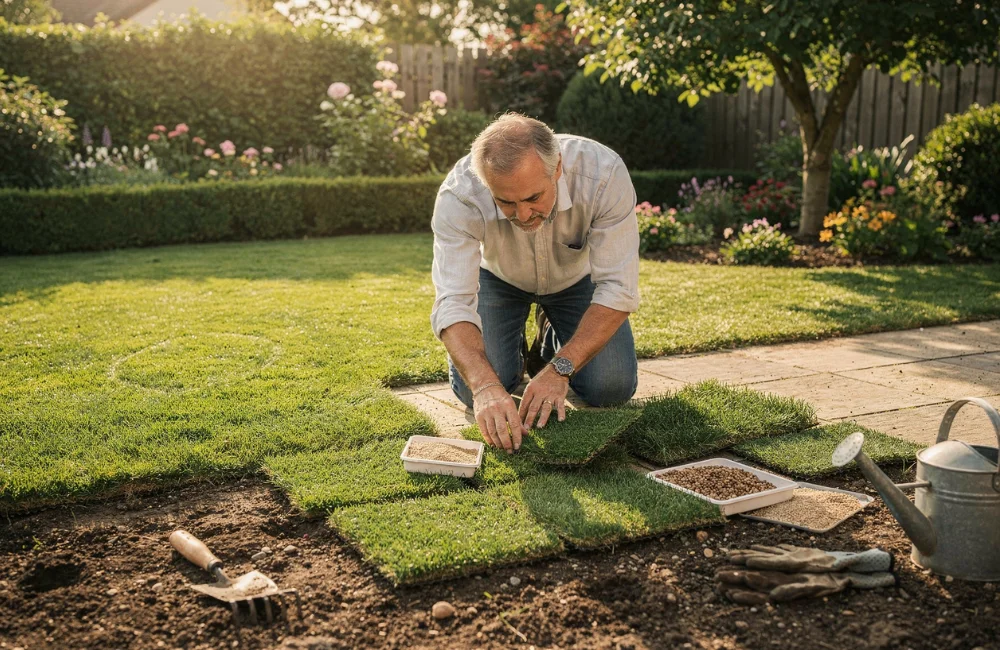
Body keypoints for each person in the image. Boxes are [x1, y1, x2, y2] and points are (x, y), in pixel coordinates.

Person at [430, 113, 640, 453]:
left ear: (556, 168)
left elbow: (618, 288)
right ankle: (512, 352)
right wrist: (486, 387)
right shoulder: (460, 195)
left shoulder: (603, 173)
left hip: (576, 279)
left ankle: (550, 343)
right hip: (499, 279)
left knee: (611, 386)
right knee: (475, 390)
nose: (523, 215)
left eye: (532, 198)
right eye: (506, 202)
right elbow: (452, 302)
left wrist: (560, 369)